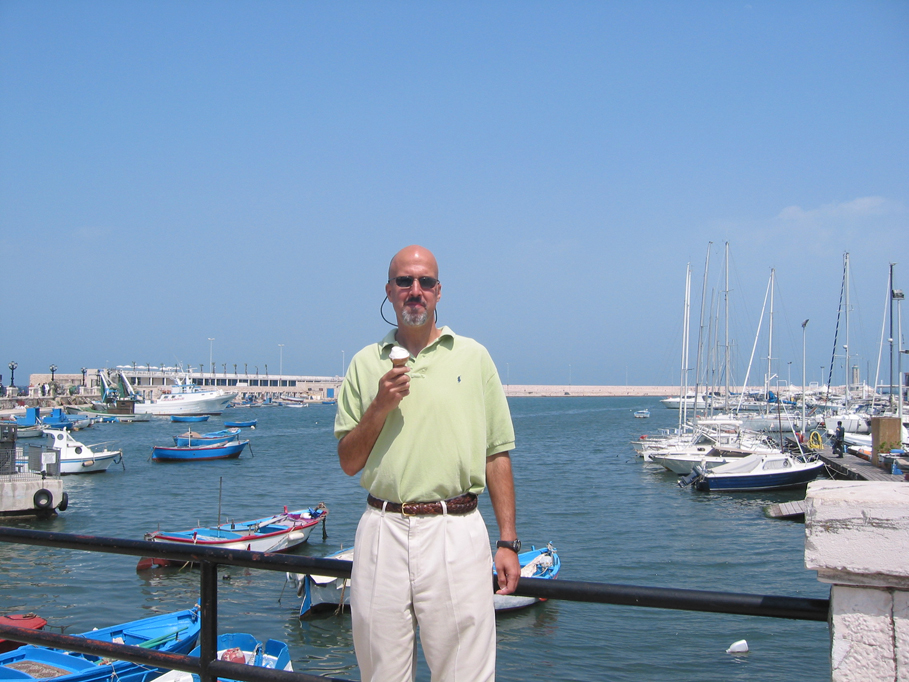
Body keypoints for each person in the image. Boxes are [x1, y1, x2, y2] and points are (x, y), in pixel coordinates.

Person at [335, 245, 521, 682]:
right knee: (381, 673)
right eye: (404, 282)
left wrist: (508, 542)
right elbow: (348, 461)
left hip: (455, 528)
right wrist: (380, 406)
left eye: (424, 282)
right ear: (389, 291)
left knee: (465, 674)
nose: (414, 291)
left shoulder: (474, 357)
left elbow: (497, 453)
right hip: (383, 528)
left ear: (439, 292)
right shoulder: (364, 364)